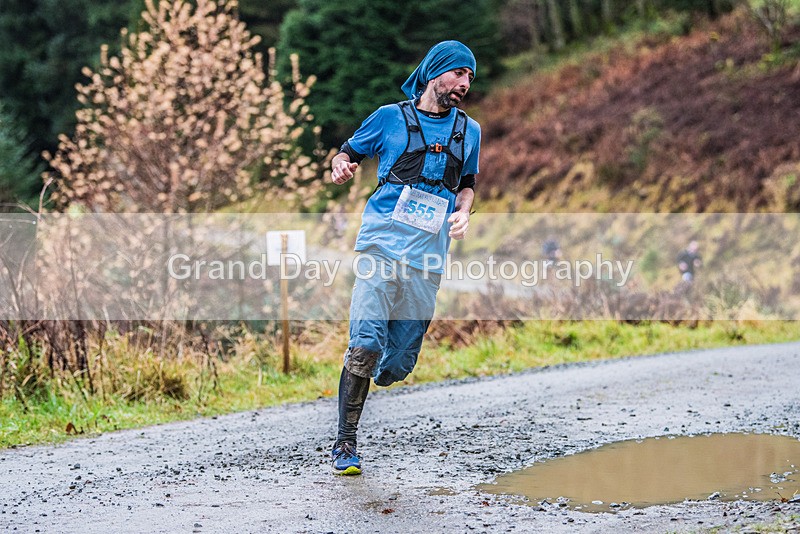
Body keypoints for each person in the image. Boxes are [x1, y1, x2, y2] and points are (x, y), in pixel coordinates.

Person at [328, 41, 481, 475]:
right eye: (458, 74)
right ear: (436, 72)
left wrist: (464, 210)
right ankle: (345, 444)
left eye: (470, 78)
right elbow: (348, 151)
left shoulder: (469, 131)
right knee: (365, 344)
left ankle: (388, 367)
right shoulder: (389, 119)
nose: (465, 84)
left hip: (427, 257)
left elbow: (466, 182)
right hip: (380, 246)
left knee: (397, 364)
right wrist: (341, 165)